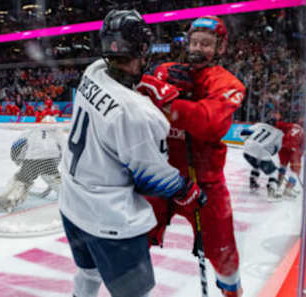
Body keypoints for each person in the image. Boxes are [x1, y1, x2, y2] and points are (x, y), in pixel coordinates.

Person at [58, 9, 206, 297]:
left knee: (88, 273)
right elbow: (153, 179)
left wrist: (148, 86)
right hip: (109, 219)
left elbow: (121, 89)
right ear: (142, 48)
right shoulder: (138, 115)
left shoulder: (93, 72)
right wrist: (189, 191)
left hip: (72, 204)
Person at [137, 16, 245, 296]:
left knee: (223, 252)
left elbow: (210, 124)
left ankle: (232, 292)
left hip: (205, 183)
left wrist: (172, 102)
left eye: (206, 44)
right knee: (134, 238)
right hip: (159, 177)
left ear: (220, 48)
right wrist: (158, 88)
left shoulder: (228, 83)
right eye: (194, 41)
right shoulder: (165, 70)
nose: (198, 48)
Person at [0, 127, 65, 213]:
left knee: (21, 181)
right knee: (55, 180)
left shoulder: (32, 129)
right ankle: (67, 197)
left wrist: (17, 160)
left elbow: (17, 145)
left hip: (32, 158)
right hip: (49, 160)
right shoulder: (57, 131)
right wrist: (55, 165)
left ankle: (9, 200)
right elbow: (63, 148)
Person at [240, 120, 284, 198]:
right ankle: (271, 193)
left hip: (246, 152)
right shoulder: (279, 133)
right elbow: (275, 149)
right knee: (274, 172)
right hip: (261, 153)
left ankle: (253, 183)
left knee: (256, 164)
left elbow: (243, 133)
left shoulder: (259, 125)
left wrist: (249, 143)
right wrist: (266, 152)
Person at [275, 114, 304, 198]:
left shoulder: (290, 125)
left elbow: (278, 125)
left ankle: (278, 184)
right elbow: (303, 146)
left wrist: (278, 119)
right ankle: (288, 190)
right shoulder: (304, 132)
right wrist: (298, 159)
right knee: (295, 171)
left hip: (283, 147)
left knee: (283, 166)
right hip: (294, 149)